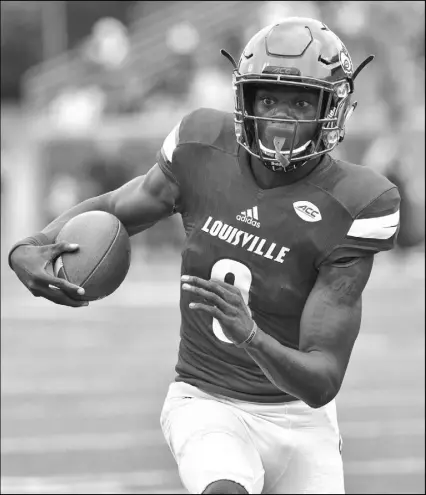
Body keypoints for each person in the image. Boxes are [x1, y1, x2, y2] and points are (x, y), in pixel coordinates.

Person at [8, 18, 400, 495]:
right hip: (205, 398)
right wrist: (33, 244)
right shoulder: (202, 148)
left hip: (301, 419)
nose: (280, 116)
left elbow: (321, 381)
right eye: (268, 98)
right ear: (244, 100)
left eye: (301, 101)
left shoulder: (355, 202)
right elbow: (115, 207)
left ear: (333, 107)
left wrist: (251, 335)